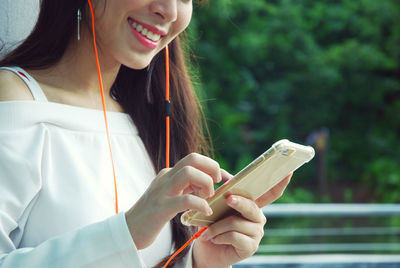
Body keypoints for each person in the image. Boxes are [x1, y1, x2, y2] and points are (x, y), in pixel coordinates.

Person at [0, 1, 292, 267]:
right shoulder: (14, 100)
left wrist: (200, 260)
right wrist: (125, 233)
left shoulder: (147, 122)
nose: (171, 11)